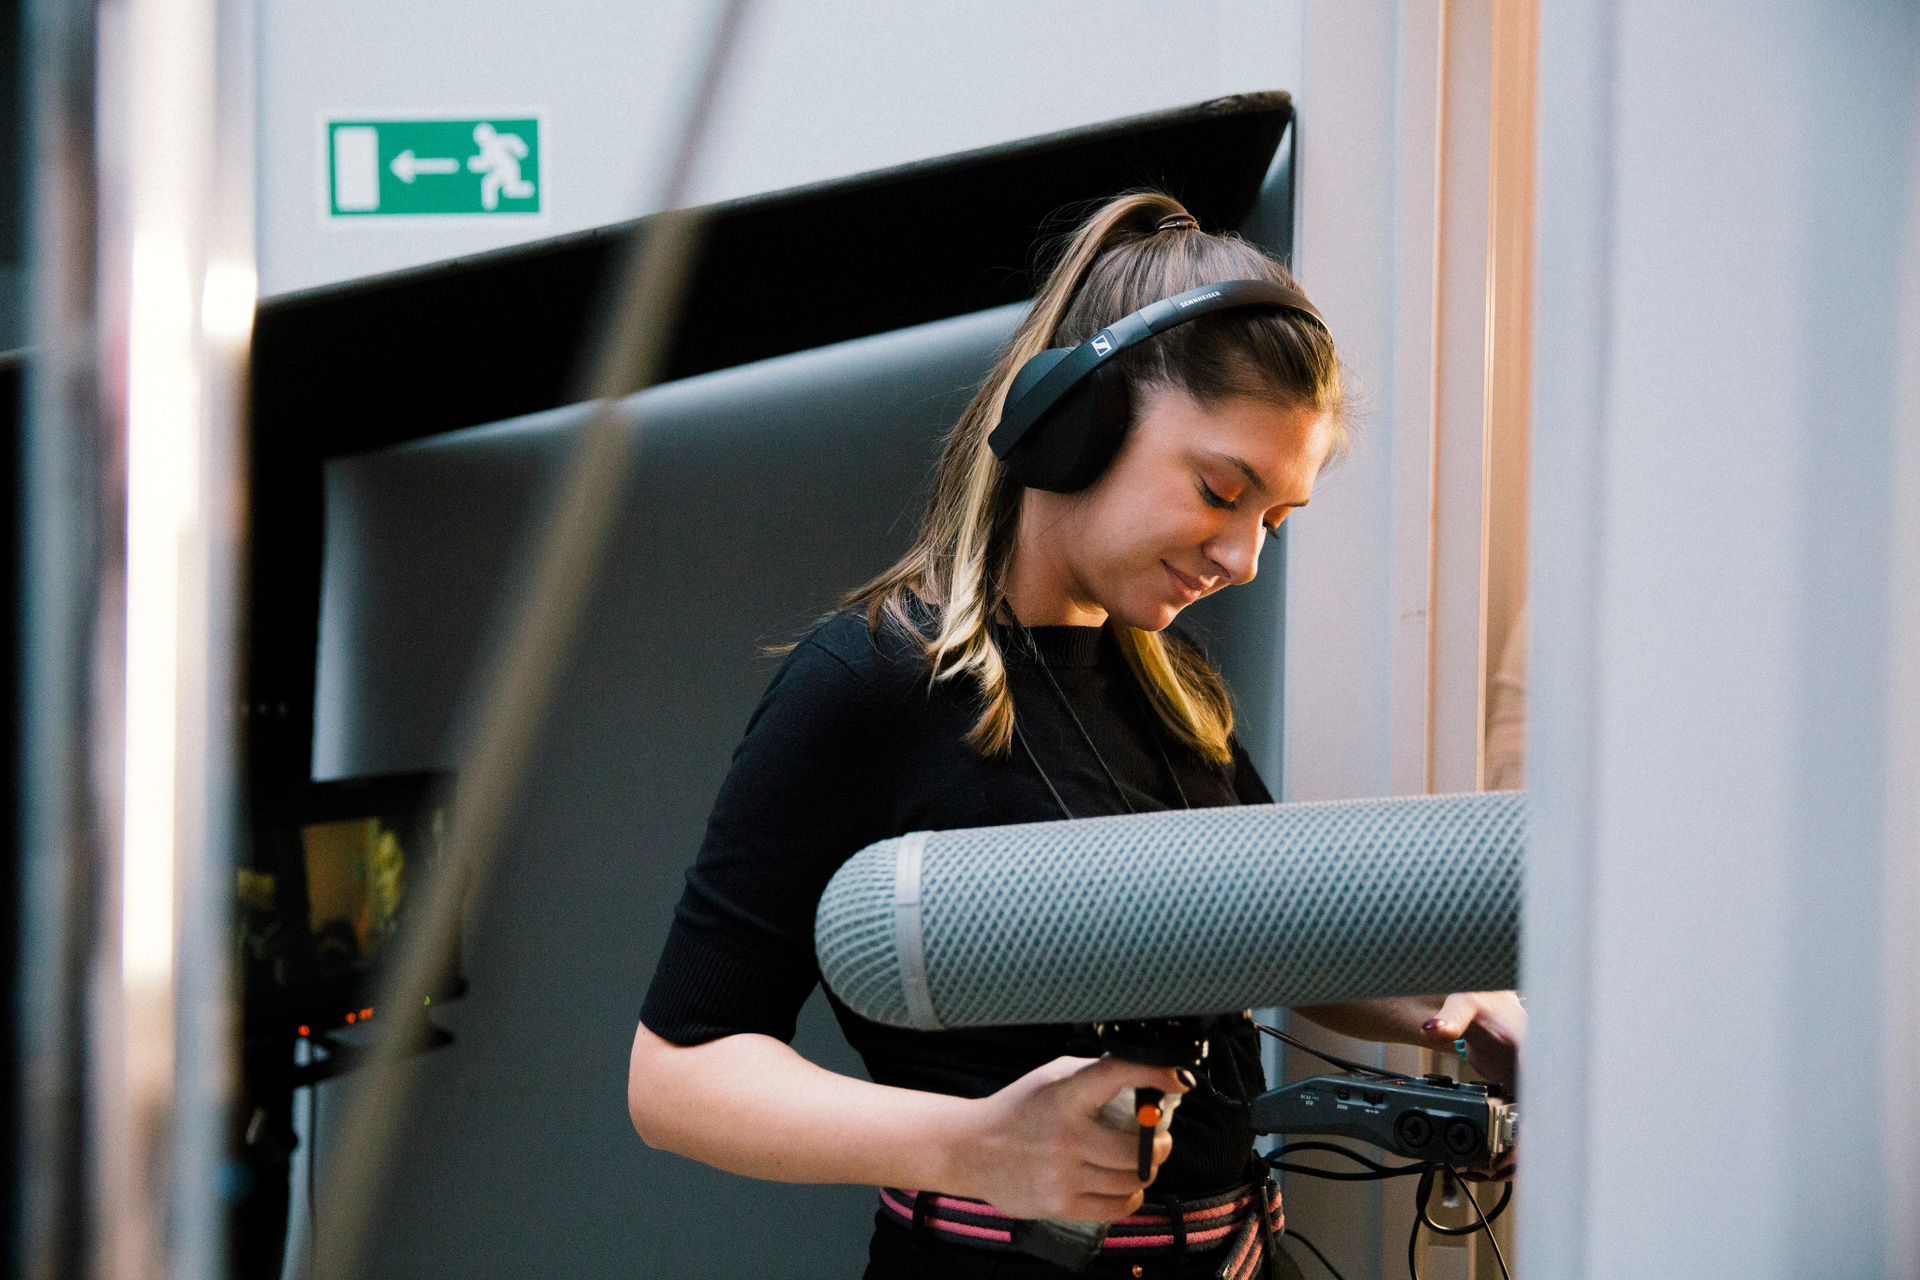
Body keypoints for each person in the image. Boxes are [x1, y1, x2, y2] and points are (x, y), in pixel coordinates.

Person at [628, 190, 1525, 1279]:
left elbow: (1263, 935)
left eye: (1274, 521)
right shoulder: (867, 682)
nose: (1244, 557)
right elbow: (676, 1078)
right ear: (1075, 421)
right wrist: (975, 1145)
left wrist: (1449, 1004)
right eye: (1221, 490)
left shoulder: (1175, 695)